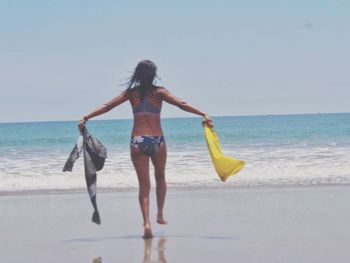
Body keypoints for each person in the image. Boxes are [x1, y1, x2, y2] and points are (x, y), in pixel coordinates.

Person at [79, 60, 213, 238]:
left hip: (137, 141)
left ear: (137, 74)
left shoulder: (131, 93)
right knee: (161, 177)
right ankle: (159, 214)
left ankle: (147, 222)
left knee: (144, 185)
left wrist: (86, 117)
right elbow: (181, 103)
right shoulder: (160, 92)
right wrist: (202, 113)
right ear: (153, 74)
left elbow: (107, 106)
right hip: (157, 140)